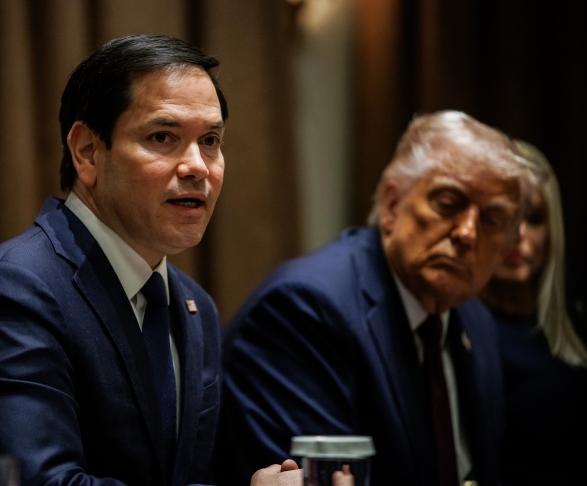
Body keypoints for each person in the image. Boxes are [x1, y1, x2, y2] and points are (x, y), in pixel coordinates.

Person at [0, 34, 293, 486]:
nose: (198, 166)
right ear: (86, 151)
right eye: (163, 137)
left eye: (210, 140)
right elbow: (44, 483)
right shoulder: (9, 293)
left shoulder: (194, 306)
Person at [215, 111, 536, 486]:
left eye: (492, 220)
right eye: (448, 202)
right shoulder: (303, 311)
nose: (467, 233)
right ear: (391, 205)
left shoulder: (476, 321)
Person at [479, 140, 587, 486]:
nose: (518, 234)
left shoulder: (576, 329)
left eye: (534, 218)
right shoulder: (456, 333)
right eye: (503, 218)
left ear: (552, 229)